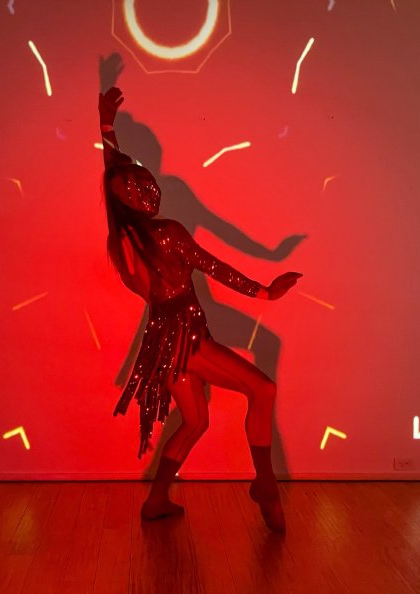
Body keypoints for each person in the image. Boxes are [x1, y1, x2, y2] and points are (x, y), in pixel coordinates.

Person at [99, 87, 302, 533]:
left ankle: (155, 500)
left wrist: (107, 127)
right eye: (141, 185)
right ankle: (264, 483)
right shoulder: (165, 233)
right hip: (185, 340)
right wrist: (266, 292)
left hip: (162, 342)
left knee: (195, 422)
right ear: (136, 196)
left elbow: (112, 174)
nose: (148, 188)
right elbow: (214, 266)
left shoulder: (123, 240)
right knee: (262, 391)